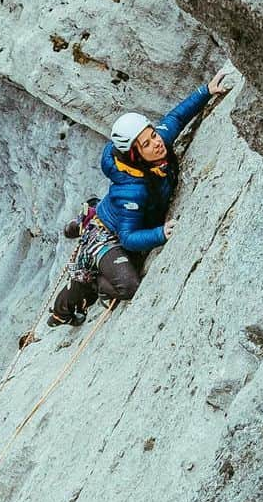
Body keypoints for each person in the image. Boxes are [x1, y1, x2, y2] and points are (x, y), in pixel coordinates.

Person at [48, 68, 234, 326]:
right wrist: (161, 234)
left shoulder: (156, 147)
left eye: (153, 136)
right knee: (128, 285)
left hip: (122, 215)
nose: (156, 143)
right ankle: (81, 297)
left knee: (122, 224)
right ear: (135, 155)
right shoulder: (133, 190)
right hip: (108, 236)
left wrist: (206, 91)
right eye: (147, 144)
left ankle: (89, 214)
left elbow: (176, 118)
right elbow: (126, 237)